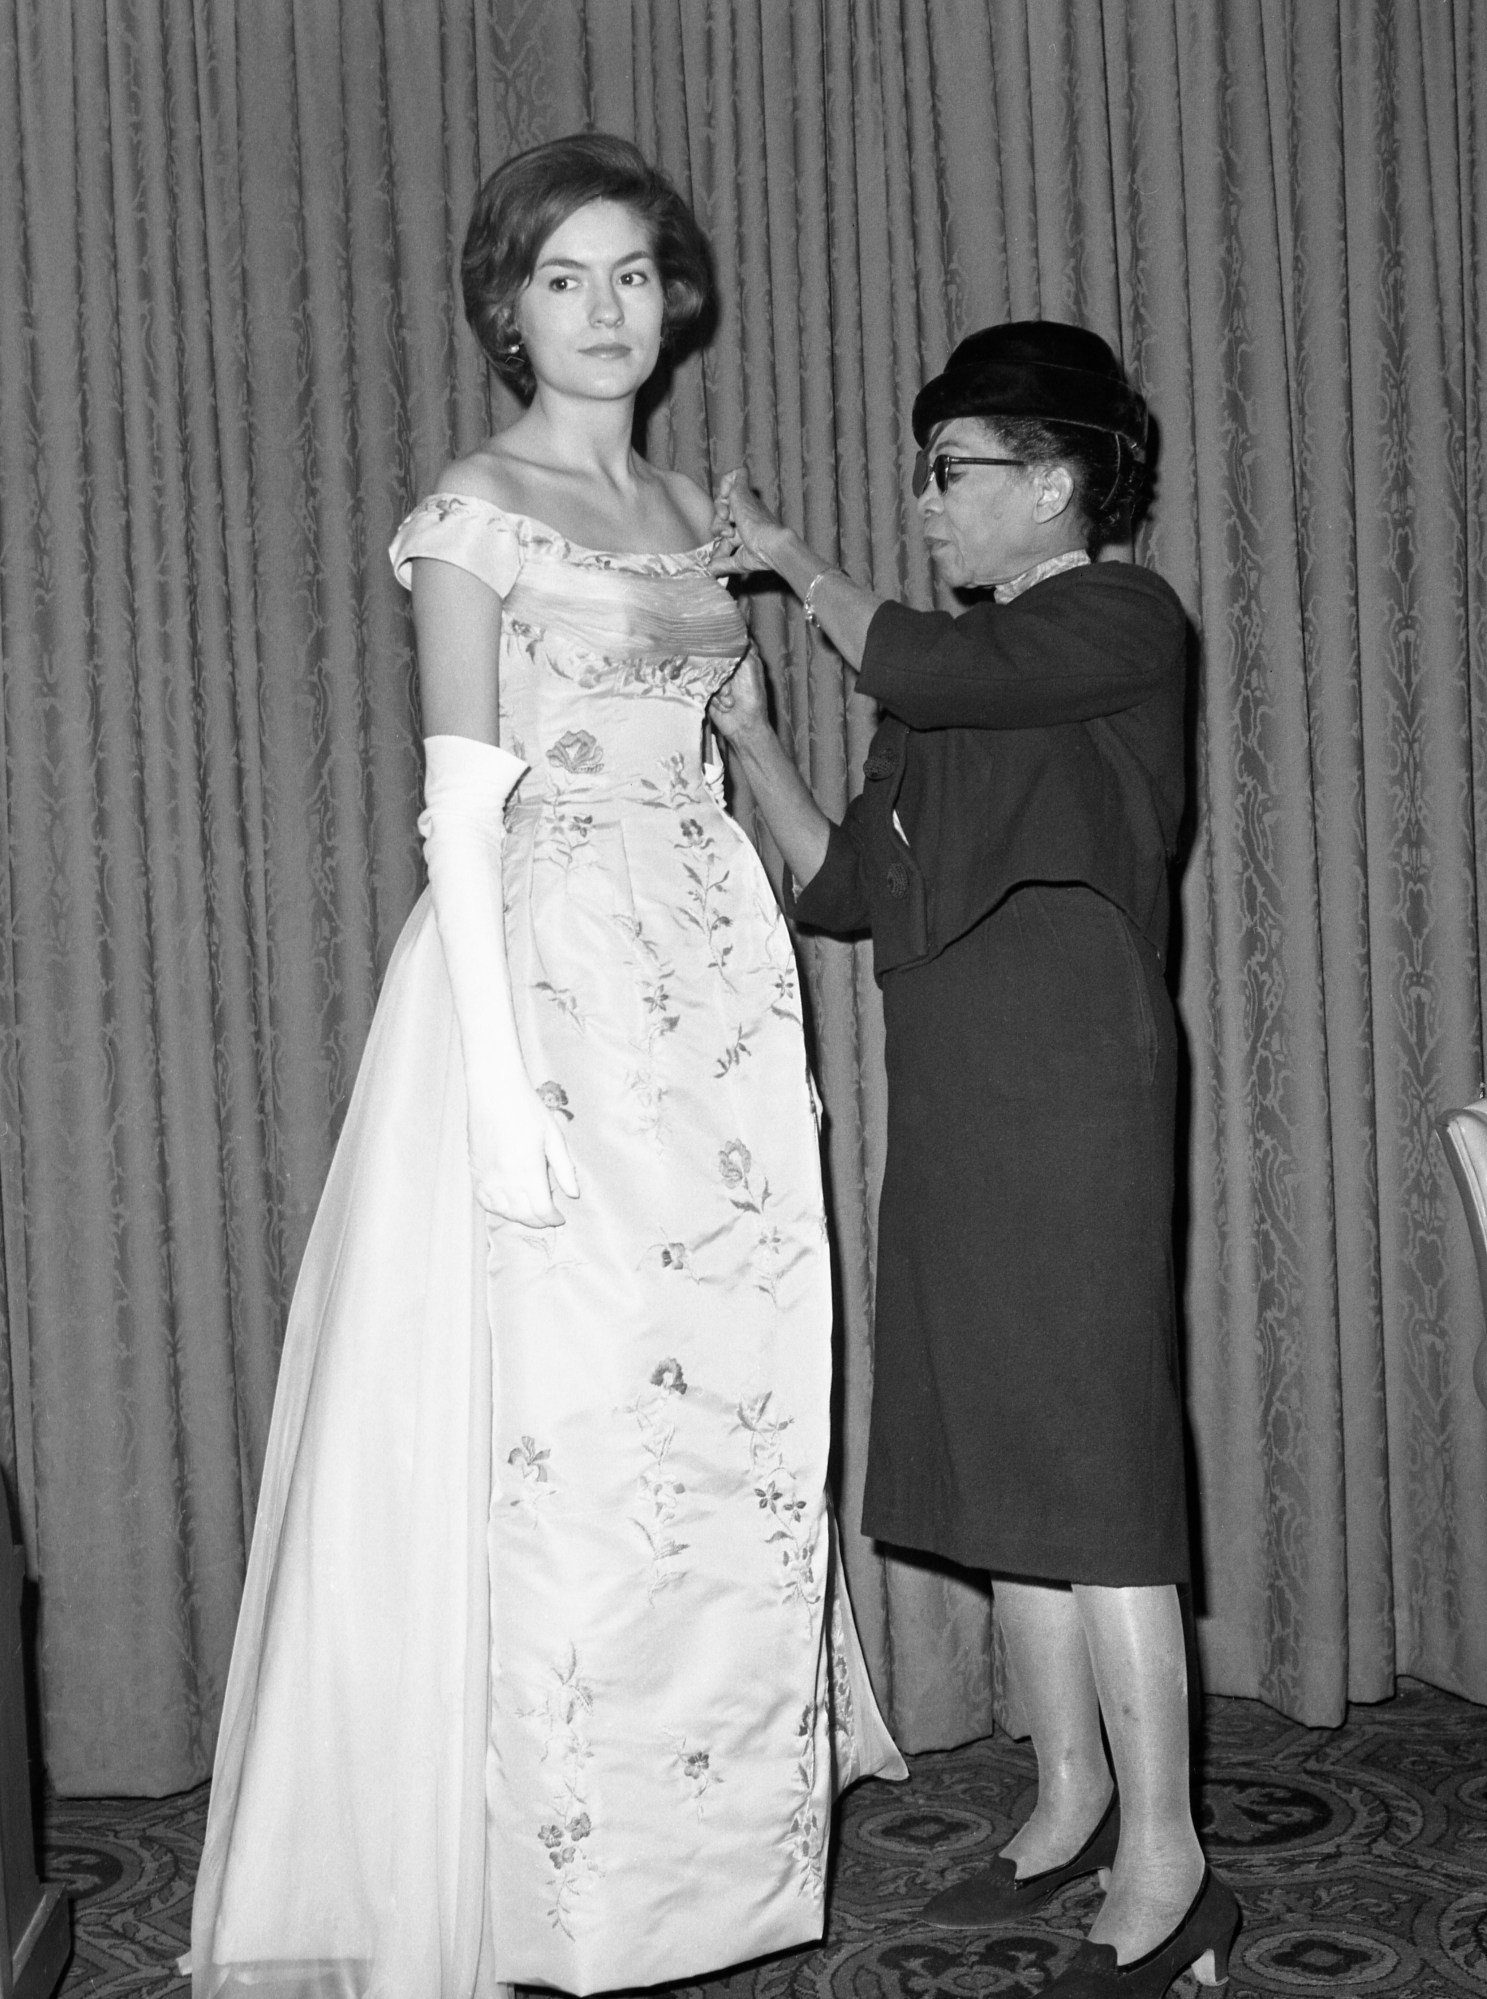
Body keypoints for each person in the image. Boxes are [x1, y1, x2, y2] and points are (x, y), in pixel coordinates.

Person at [189, 133, 901, 1999]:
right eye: (566, 278)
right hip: (550, 985)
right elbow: (459, 813)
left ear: (675, 303)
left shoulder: (688, 517)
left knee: (731, 1421)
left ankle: (705, 1877)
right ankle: (553, 1889)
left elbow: (728, 745)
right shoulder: (474, 509)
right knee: (572, 1432)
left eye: (635, 275)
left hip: (718, 997)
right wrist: (499, 1095)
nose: (606, 310)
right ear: (507, 306)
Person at [707, 321, 1237, 1998]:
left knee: (1089, 1467)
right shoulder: (953, 670)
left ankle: (1177, 1867)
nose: (929, 502)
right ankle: (1068, 1805)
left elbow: (925, 672)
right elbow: (844, 885)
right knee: (1012, 1460)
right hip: (957, 1087)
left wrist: (788, 559)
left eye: (953, 472)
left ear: (1056, 483)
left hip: (1069, 1084)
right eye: (925, 473)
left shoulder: (1117, 616)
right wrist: (748, 733)